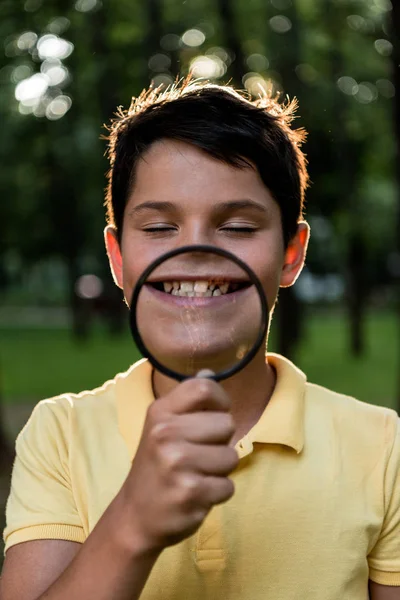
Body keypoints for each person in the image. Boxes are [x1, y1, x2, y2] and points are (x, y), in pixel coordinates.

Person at [1, 78, 399, 600]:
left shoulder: (383, 445)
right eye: (160, 228)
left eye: (237, 227)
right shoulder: (59, 434)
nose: (195, 249)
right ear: (119, 259)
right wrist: (130, 526)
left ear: (291, 254)